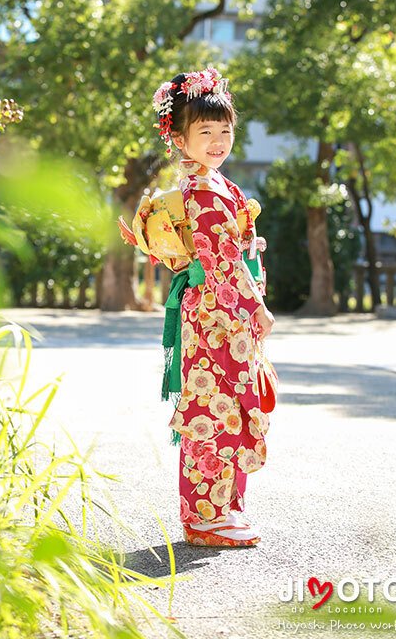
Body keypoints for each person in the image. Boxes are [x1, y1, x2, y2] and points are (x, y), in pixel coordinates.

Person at [118, 66, 276, 548]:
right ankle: (205, 516)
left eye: (225, 130)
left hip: (218, 311)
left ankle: (224, 506)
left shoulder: (216, 184)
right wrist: (256, 307)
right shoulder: (204, 191)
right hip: (217, 312)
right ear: (179, 139)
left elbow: (230, 249)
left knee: (227, 406)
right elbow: (220, 258)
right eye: (204, 131)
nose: (218, 140)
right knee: (212, 407)